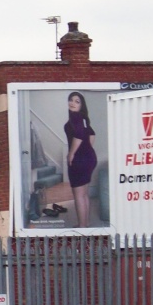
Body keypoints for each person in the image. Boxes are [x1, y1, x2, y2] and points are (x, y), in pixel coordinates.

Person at [64, 91, 98, 228]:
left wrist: (71, 153)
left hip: (79, 160)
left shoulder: (76, 118)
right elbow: (92, 135)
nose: (72, 103)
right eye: (71, 100)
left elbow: (78, 135)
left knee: (78, 194)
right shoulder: (84, 119)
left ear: (81, 105)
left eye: (77, 101)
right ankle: (86, 222)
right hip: (89, 158)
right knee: (84, 193)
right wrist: (86, 150)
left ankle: (82, 226)